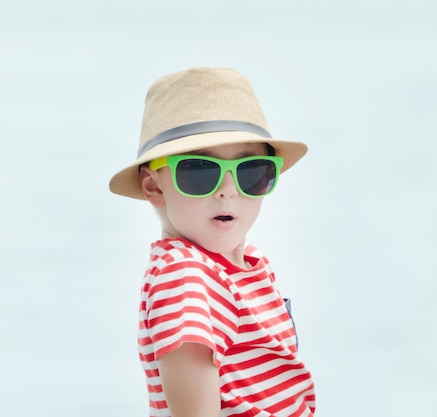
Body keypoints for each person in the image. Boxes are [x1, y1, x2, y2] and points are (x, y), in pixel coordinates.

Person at [109, 67, 316, 417]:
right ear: (154, 186)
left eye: (251, 170)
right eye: (199, 170)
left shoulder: (249, 265)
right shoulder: (183, 277)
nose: (227, 190)